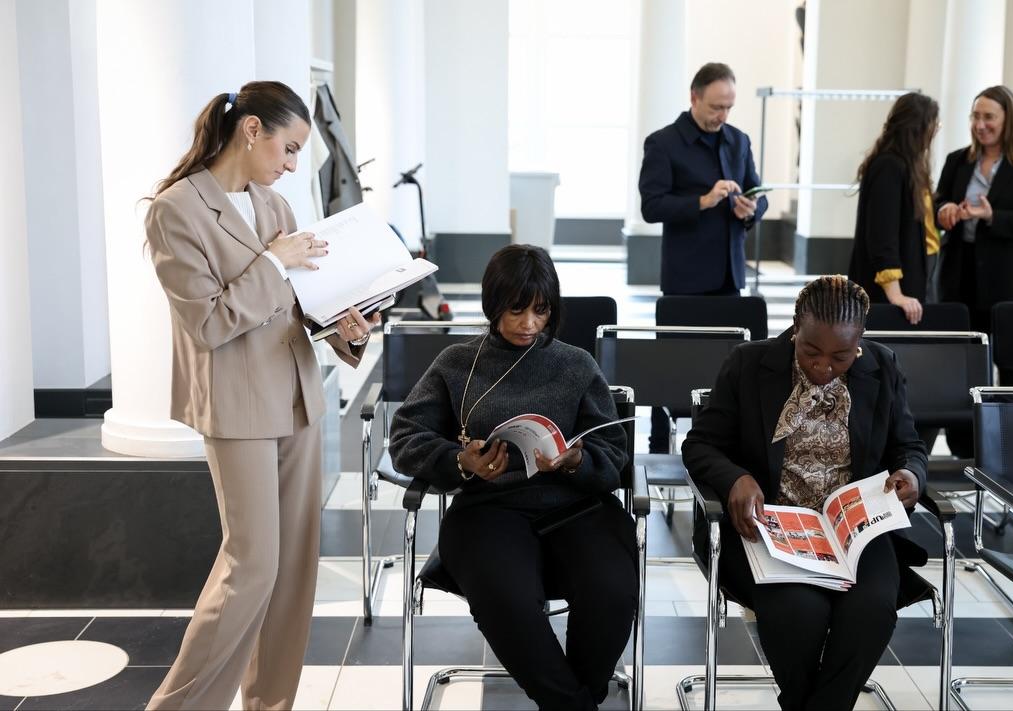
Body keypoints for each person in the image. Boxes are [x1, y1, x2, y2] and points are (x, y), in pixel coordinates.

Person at [144, 81, 379, 710]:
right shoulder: (176, 210)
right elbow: (208, 322)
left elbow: (298, 309)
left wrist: (346, 330)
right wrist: (274, 263)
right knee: (250, 568)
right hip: (236, 406)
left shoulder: (275, 206)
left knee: (294, 570)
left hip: (299, 397)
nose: (293, 165)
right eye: (290, 148)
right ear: (252, 130)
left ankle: (270, 704)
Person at [388, 245, 638, 711]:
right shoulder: (457, 363)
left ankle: (572, 701)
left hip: (577, 507)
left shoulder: (576, 365)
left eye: (540, 311)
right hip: (487, 510)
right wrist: (461, 461)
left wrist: (575, 461)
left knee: (612, 591)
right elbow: (404, 437)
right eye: (516, 310)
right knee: (508, 601)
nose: (528, 323)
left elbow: (613, 451)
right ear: (493, 304)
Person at [682, 276, 928, 711]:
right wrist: (736, 478)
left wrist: (911, 474)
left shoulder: (883, 366)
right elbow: (700, 445)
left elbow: (908, 446)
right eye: (811, 351)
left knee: (871, 611)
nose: (823, 366)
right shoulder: (748, 364)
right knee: (798, 613)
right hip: (770, 528)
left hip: (854, 530)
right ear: (796, 327)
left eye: (841, 356)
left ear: (860, 341)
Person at [638, 61, 769, 453]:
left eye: (728, 107)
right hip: (685, 276)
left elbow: (758, 193)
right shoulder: (663, 143)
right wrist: (703, 201)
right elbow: (651, 206)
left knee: (727, 367)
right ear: (694, 98)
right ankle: (659, 442)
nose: (722, 115)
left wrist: (751, 210)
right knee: (673, 364)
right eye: (715, 107)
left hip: (729, 274)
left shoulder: (739, 140)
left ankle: (721, 439)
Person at [935, 85, 1013, 339]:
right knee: (959, 351)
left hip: (1009, 278)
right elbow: (937, 202)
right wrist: (945, 209)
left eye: (989, 117)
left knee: (1008, 351)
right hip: (959, 275)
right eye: (975, 116)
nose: (980, 125)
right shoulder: (957, 160)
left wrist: (991, 216)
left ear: (1009, 120)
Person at [849, 93, 941, 324]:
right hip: (889, 293)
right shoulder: (889, 166)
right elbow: (882, 236)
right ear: (919, 128)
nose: (935, 132)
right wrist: (895, 294)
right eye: (934, 125)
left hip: (911, 280)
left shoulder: (908, 166)